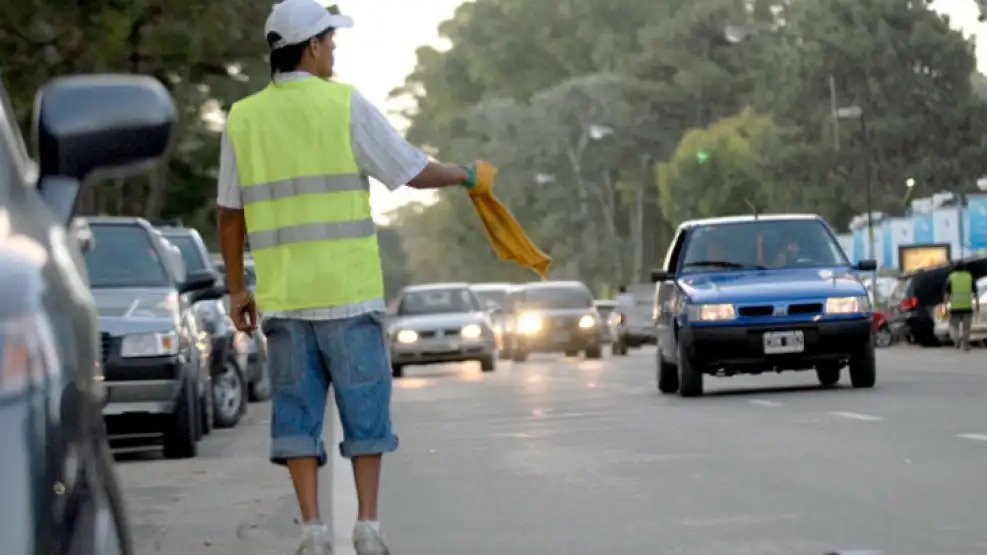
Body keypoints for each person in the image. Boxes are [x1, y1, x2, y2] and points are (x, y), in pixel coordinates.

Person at [216, 2, 475, 553]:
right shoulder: (344, 105)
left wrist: (238, 289)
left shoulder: (243, 118)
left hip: (284, 300)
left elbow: (230, 213)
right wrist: (467, 175)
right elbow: (409, 170)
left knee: (296, 418)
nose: (334, 50)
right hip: (348, 294)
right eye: (331, 41)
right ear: (311, 46)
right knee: (366, 414)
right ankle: (367, 527)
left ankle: (312, 530)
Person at [944, 260, 979, 351]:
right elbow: (975, 292)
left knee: (954, 326)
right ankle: (966, 344)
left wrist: (946, 306)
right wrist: (977, 304)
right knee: (966, 327)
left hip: (955, 307)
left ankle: (956, 340)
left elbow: (947, 294)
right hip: (967, 306)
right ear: (964, 268)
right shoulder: (969, 277)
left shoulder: (951, 278)